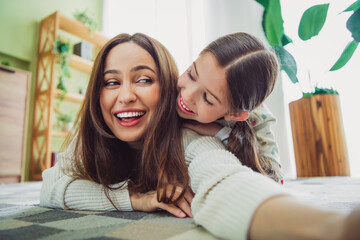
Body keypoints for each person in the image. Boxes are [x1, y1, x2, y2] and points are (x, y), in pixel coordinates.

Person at [40, 32, 360, 240]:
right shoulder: (96, 129)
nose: (124, 96)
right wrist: (135, 198)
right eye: (111, 82)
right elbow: (53, 187)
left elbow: (223, 180)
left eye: (144, 79)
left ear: (162, 83)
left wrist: (330, 227)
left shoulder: (193, 135)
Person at [176, 32, 283, 182]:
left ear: (235, 114)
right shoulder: (162, 87)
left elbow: (276, 182)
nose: (187, 95)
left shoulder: (257, 118)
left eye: (207, 98)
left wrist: (222, 134)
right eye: (191, 75)